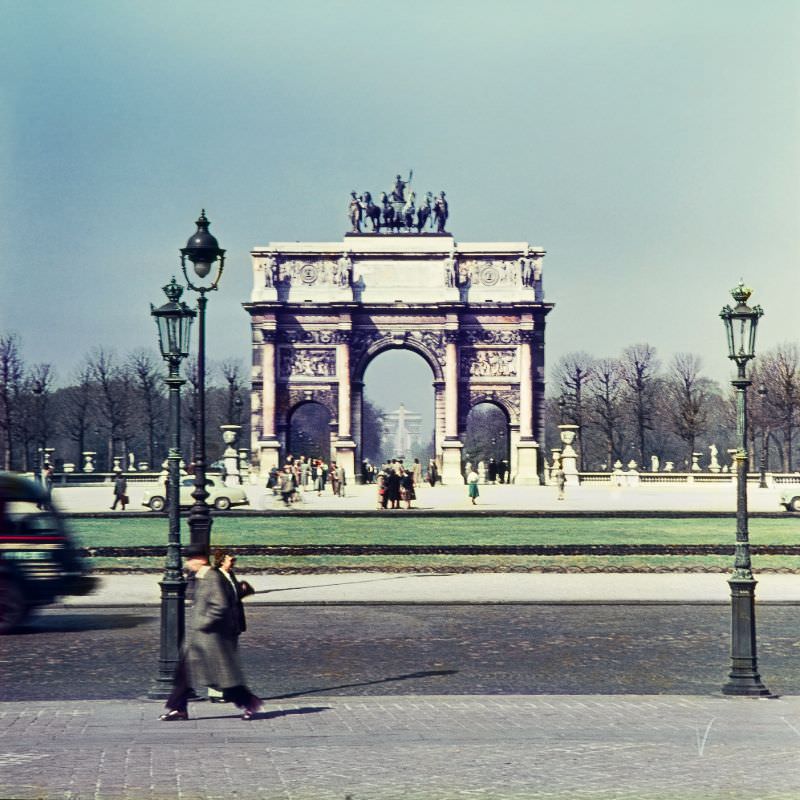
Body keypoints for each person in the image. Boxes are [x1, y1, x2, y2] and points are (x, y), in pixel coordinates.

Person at [160, 544, 262, 722]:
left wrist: (203, 623)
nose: (188, 563)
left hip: (209, 638)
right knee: (183, 674)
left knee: (223, 678)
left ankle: (250, 703)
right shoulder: (202, 577)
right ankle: (178, 708)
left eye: (190, 559)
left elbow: (219, 605)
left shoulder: (212, 577)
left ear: (200, 559)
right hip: (199, 639)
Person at [208, 548, 255, 703]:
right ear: (222, 561)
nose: (234, 562)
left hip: (233, 622)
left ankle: (227, 691)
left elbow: (234, 596)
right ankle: (215, 692)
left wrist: (243, 590)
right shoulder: (215, 576)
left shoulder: (230, 574)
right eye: (231, 560)